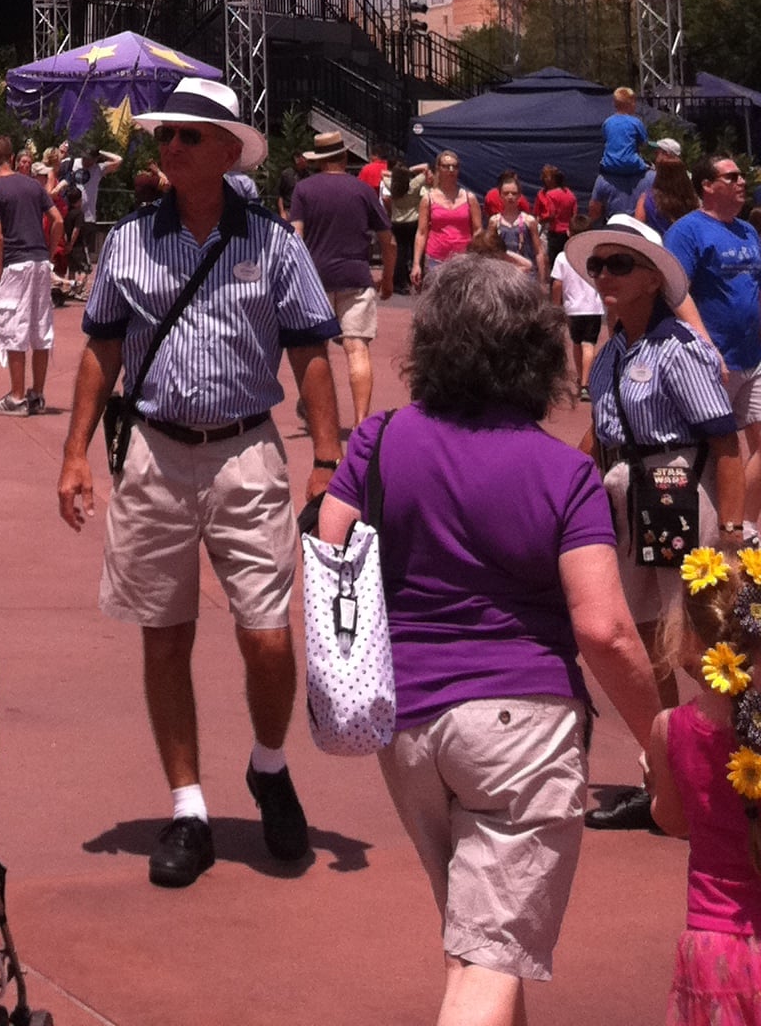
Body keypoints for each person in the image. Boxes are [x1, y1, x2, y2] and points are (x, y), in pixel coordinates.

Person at [316, 255, 662, 1025]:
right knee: (490, 954)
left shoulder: (378, 441)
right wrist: (658, 741)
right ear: (535, 352)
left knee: (476, 943)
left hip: (407, 723)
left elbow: (328, 553)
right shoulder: (562, 474)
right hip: (521, 727)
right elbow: (603, 628)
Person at [56, 76, 342, 888]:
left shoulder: (273, 244)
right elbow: (102, 349)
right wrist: (75, 451)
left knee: (268, 635)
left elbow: (311, 351)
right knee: (165, 632)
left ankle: (269, 763)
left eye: (188, 136)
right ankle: (187, 807)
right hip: (155, 452)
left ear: (227, 151)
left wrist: (327, 459)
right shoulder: (129, 241)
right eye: (165, 135)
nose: (171, 147)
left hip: (246, 451)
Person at [569, 214, 742, 827]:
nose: (604, 275)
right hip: (628, 497)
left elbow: (725, 442)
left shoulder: (679, 348)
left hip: (677, 495)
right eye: (598, 266)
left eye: (620, 264)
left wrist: (731, 534)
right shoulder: (613, 351)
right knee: (646, 646)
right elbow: (601, 433)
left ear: (653, 279)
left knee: (694, 642)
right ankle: (668, 781)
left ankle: (744, 750)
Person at [646, 547, 761, 1024]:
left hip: (715, 946)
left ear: (691, 638)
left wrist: (657, 782)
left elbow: (672, 822)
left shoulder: (671, 728)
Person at [668, 156, 761, 527]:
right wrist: (705, 345)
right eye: (732, 176)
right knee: (716, 452)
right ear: (707, 185)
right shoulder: (687, 231)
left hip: (753, 356)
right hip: (713, 361)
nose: (742, 181)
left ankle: (745, 527)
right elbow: (676, 291)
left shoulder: (748, 231)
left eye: (742, 176)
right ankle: (714, 529)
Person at [289, 139, 395, 424]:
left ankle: (318, 414)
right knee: (357, 348)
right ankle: (361, 421)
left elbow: (295, 237)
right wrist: (387, 278)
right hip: (355, 276)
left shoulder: (304, 189)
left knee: (316, 349)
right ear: (345, 157)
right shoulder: (362, 190)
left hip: (315, 279)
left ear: (317, 160)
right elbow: (388, 240)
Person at [0, 135, 60, 414]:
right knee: (40, 327)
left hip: (15, 263)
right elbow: (58, 220)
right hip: (39, 260)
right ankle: (37, 394)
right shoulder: (33, 185)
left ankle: (16, 397)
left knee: (14, 326)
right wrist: (49, 252)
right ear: (12, 158)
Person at [412, 149, 481, 288]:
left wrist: (477, 256)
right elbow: (421, 232)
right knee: (436, 299)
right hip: (435, 259)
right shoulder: (428, 199)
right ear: (438, 168)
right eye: (446, 166)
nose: (451, 170)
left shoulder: (469, 198)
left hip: (464, 259)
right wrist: (416, 263)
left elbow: (478, 230)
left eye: (454, 166)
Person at [591, 87, 653, 225]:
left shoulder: (607, 122)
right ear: (631, 104)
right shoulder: (636, 122)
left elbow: (606, 139)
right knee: (650, 169)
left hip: (610, 166)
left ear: (615, 104)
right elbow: (644, 143)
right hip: (633, 165)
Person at [553, 240, 606, 399]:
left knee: (577, 343)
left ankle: (582, 378)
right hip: (593, 308)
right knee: (589, 344)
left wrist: (555, 305)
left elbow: (557, 283)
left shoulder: (563, 257)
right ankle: (585, 382)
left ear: (569, 233)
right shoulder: (594, 257)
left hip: (573, 308)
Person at [487, 173, 547, 279]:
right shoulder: (494, 221)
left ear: (519, 196)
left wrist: (542, 280)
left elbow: (538, 251)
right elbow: (490, 251)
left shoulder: (529, 221)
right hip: (502, 275)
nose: (510, 197)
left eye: (514, 193)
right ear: (500, 195)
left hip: (526, 275)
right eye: (506, 193)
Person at [640, 144, 700, 238]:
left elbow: (638, 228)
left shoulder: (646, 198)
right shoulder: (692, 200)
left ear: (659, 175)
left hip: (655, 245)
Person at [387, 157, 427, 294]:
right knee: (416, 251)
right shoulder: (413, 186)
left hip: (397, 223)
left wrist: (397, 173)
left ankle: (399, 282)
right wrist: (410, 170)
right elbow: (426, 167)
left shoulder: (391, 185)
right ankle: (418, 278)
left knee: (400, 252)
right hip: (413, 221)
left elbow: (383, 174)